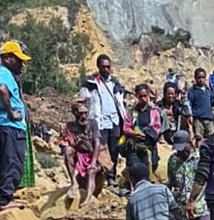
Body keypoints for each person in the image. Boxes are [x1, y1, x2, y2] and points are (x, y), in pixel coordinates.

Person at [0, 40, 32, 211]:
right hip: (11, 126)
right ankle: (4, 200)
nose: (21, 64)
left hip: (1, 126)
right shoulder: (4, 73)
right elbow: (3, 88)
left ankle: (3, 197)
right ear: (8, 58)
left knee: (6, 163)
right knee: (13, 163)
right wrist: (10, 111)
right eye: (18, 60)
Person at [79, 54, 126, 186]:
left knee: (114, 149)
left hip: (115, 121)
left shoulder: (115, 83)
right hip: (99, 121)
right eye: (103, 67)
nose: (106, 69)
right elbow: (83, 102)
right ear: (98, 66)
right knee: (101, 150)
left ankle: (112, 176)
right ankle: (103, 177)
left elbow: (120, 102)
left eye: (108, 67)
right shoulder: (90, 83)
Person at [62, 99, 102, 207]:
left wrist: (93, 162)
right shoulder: (70, 126)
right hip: (79, 154)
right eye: (81, 113)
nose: (84, 116)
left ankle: (88, 197)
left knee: (91, 171)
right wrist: (78, 143)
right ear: (75, 113)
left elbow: (97, 143)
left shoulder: (93, 123)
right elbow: (71, 144)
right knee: (68, 151)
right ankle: (74, 183)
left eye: (85, 113)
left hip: (92, 154)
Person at [123, 84, 163, 174]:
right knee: (133, 170)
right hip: (134, 146)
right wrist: (134, 134)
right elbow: (126, 127)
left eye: (145, 96)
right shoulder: (131, 112)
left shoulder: (154, 111)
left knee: (148, 171)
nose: (143, 98)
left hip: (148, 146)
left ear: (148, 95)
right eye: (140, 96)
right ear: (137, 96)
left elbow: (157, 127)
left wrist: (147, 134)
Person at [188, 68, 214, 144]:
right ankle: (198, 153)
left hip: (209, 118)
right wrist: (190, 115)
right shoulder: (192, 91)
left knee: (212, 137)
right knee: (199, 137)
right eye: (199, 77)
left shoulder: (208, 90)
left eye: (203, 77)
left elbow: (213, 101)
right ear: (195, 78)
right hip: (198, 118)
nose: (201, 80)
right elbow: (189, 104)